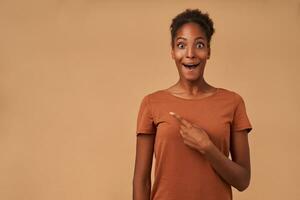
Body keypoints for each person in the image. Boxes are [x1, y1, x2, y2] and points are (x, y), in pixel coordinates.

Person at [133, 8, 253, 200]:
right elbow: (141, 181)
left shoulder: (233, 102)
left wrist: (207, 147)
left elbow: (243, 181)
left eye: (199, 45)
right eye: (181, 45)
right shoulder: (152, 103)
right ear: (172, 52)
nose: (190, 54)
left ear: (208, 52)